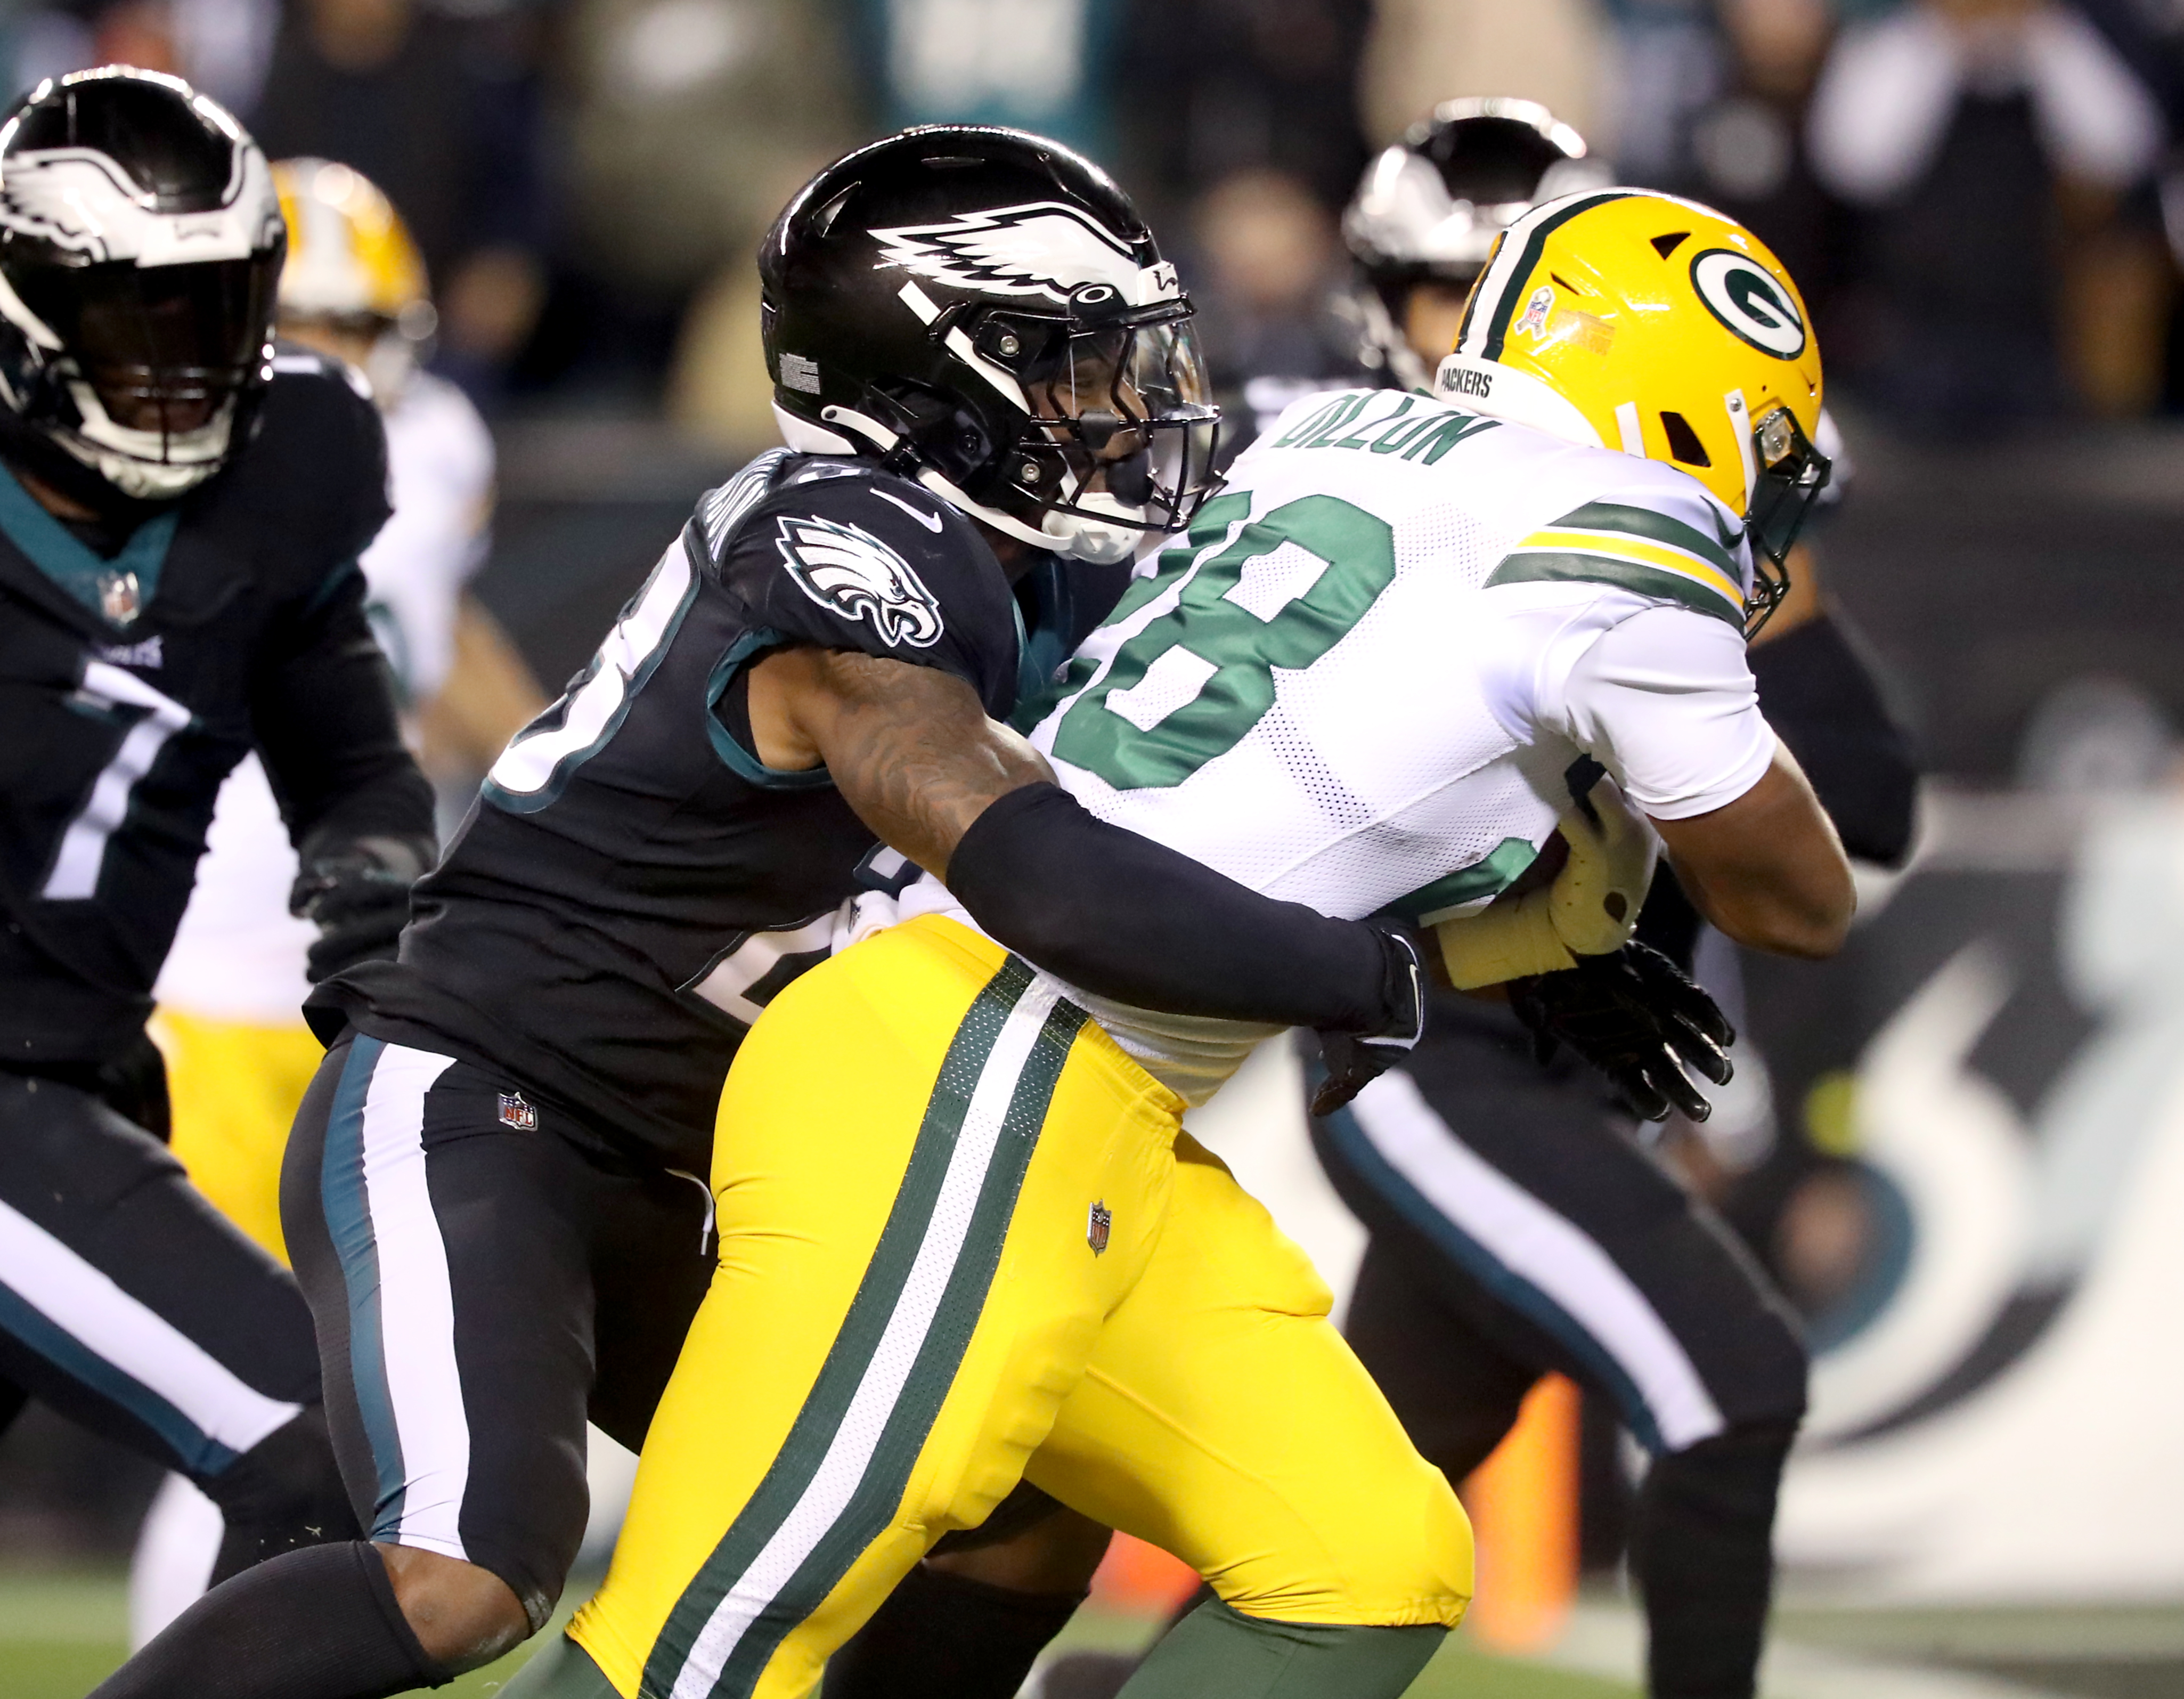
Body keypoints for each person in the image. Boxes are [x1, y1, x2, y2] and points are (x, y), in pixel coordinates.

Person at [91, 124, 1435, 1699]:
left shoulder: (1001, 564)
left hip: (683, 1158)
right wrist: (1362, 972)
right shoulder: (843, 543)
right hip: (484, 1098)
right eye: (1069, 365)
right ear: (935, 370)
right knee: (469, 1573)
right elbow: (1035, 870)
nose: (1117, 409)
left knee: (1001, 1515)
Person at [512, 184, 1856, 1699]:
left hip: (1085, 1107)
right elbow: (1794, 898)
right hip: (971, 1073)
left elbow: (1290, 768)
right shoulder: (1630, 542)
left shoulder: (1326, 433)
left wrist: (1533, 920)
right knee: (694, 1657)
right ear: (1698, 407)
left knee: (1359, 1562)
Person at [966, 105, 1917, 1699]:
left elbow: (1864, 800)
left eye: (1501, 270)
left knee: (1362, 1511)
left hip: (1488, 1047)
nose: (1471, 303)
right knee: (1725, 1383)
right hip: (1419, 1051)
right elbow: (1807, 879)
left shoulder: (1348, 452)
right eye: (1442, 277)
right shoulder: (1516, 509)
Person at [0, 63, 431, 1606]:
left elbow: (353, 760)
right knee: (329, 1457)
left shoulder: (294, 458)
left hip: (89, 1071)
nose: (189, 365)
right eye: (139, 316)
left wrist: (374, 922)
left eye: (221, 309)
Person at [129, 153, 545, 1645]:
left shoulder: (433, 445)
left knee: (327, 1401)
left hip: (355, 975)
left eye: (362, 335)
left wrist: (543, 770)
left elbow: (426, 640)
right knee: (274, 1400)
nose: (334, 370)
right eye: (302, 329)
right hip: (171, 985)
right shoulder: (145, 454)